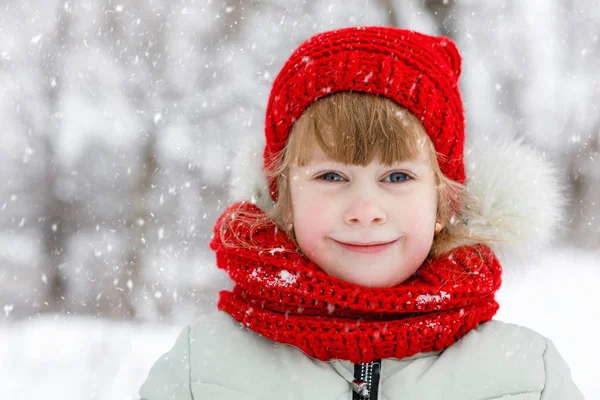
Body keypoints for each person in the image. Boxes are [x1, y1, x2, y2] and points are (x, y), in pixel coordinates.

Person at [139, 26, 584, 399]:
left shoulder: (527, 377)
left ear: (443, 200)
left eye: (397, 178)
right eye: (332, 177)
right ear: (285, 197)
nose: (365, 211)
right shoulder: (202, 367)